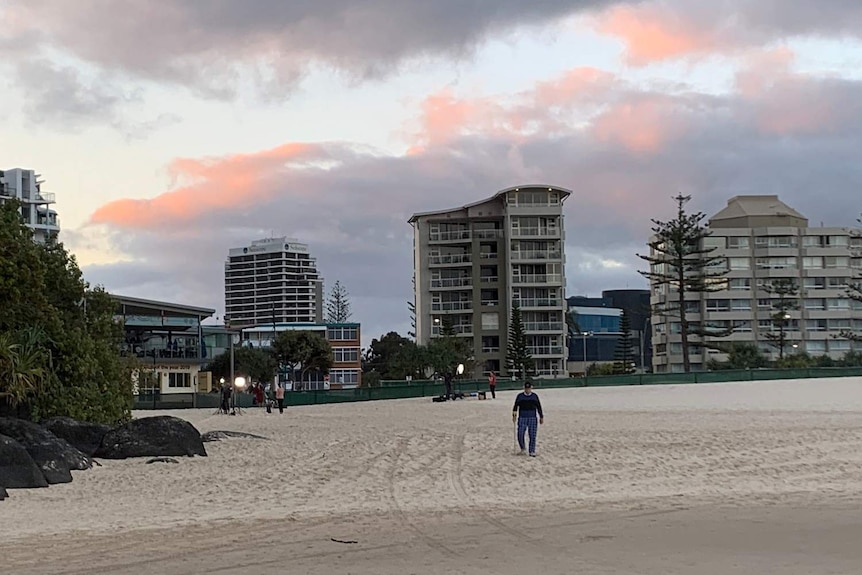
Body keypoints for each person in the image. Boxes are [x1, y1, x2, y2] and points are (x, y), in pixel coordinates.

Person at [512, 380, 543, 456]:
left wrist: (541, 416)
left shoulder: (534, 396)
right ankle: (523, 448)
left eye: (529, 388)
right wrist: (514, 415)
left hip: (532, 417)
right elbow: (515, 406)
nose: (527, 390)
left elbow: (539, 406)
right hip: (522, 417)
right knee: (520, 433)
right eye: (526, 388)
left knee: (532, 434)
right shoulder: (520, 396)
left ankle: (532, 450)